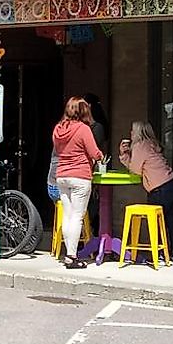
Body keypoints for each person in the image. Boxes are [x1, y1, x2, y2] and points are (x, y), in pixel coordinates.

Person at [51, 96, 105, 269]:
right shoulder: (83, 129)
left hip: (62, 176)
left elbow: (59, 151)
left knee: (67, 215)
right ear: (83, 111)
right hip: (80, 175)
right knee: (77, 217)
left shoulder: (57, 129)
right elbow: (93, 151)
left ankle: (68, 253)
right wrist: (100, 157)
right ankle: (72, 256)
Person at [119, 118, 173, 255]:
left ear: (138, 133)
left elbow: (135, 170)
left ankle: (158, 255)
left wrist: (124, 155)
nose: (130, 133)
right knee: (171, 223)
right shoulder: (152, 144)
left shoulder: (140, 146)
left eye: (132, 131)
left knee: (157, 224)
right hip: (172, 184)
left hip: (159, 189)